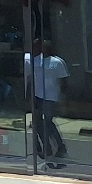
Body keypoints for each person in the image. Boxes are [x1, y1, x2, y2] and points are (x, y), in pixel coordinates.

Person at [25, 37, 69, 169]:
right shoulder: (34, 61)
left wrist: (63, 99)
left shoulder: (57, 62)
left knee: (48, 122)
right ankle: (46, 147)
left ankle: (60, 146)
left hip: (51, 97)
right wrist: (28, 96)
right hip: (37, 96)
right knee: (38, 123)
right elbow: (31, 80)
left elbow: (64, 82)